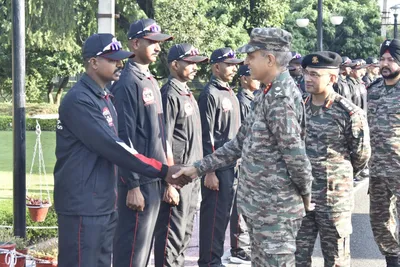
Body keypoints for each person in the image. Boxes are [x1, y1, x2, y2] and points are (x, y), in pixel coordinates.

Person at [174, 27, 314, 267]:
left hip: (276, 213)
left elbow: (296, 157)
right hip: (261, 210)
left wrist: (305, 194)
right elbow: (239, 143)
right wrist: (197, 169)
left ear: (269, 59)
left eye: (251, 56)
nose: (246, 62)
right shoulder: (265, 94)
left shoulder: (280, 98)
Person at [54, 33, 186, 267]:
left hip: (103, 202)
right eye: (113, 59)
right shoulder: (78, 100)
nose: (120, 63)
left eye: (121, 59)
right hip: (83, 205)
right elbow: (115, 147)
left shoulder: (105, 96)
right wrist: (162, 170)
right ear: (93, 62)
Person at [295, 51, 371, 267]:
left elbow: (362, 155)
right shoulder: (297, 108)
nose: (308, 79)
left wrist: (339, 176)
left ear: (332, 78)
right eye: (306, 73)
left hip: (334, 200)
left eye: (315, 75)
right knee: (296, 257)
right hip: (301, 197)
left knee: (336, 259)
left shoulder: (348, 113)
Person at [110, 18, 175, 267]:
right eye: (152, 42)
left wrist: (168, 174)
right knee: (132, 252)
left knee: (144, 249)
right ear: (135, 43)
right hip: (138, 180)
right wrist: (133, 185)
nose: (158, 48)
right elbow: (123, 137)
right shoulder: (127, 82)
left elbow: (161, 132)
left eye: (159, 43)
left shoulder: (150, 80)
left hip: (155, 177)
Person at [153, 43, 208, 267]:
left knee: (184, 234)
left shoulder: (188, 94)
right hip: (176, 178)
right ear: (175, 65)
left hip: (191, 178)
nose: (195, 68)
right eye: (190, 63)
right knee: (170, 236)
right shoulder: (169, 94)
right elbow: (164, 139)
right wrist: (169, 184)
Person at [197, 47, 244, 267]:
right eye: (230, 64)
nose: (235, 68)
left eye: (236, 64)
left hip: (231, 166)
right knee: (213, 220)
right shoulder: (210, 94)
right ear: (217, 67)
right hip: (217, 169)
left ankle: (214, 259)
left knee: (222, 218)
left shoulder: (228, 92)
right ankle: (209, 262)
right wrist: (210, 171)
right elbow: (207, 136)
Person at [368, 39, 400, 267]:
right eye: (383, 59)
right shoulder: (374, 90)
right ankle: (393, 260)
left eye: (391, 59)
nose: (385, 64)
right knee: (379, 221)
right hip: (377, 168)